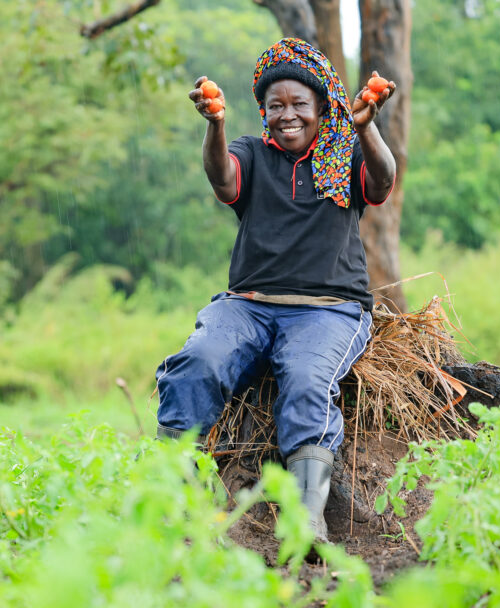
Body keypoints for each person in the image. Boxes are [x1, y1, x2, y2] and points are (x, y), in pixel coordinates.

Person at [154, 38, 397, 546]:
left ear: (321, 107)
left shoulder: (344, 153)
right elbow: (222, 179)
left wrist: (366, 129)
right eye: (276, 106)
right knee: (197, 361)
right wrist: (215, 127)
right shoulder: (250, 152)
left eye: (299, 105)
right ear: (263, 112)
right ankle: (177, 498)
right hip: (249, 306)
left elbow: (383, 179)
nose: (287, 115)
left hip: (329, 311)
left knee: (309, 381)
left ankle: (306, 518)